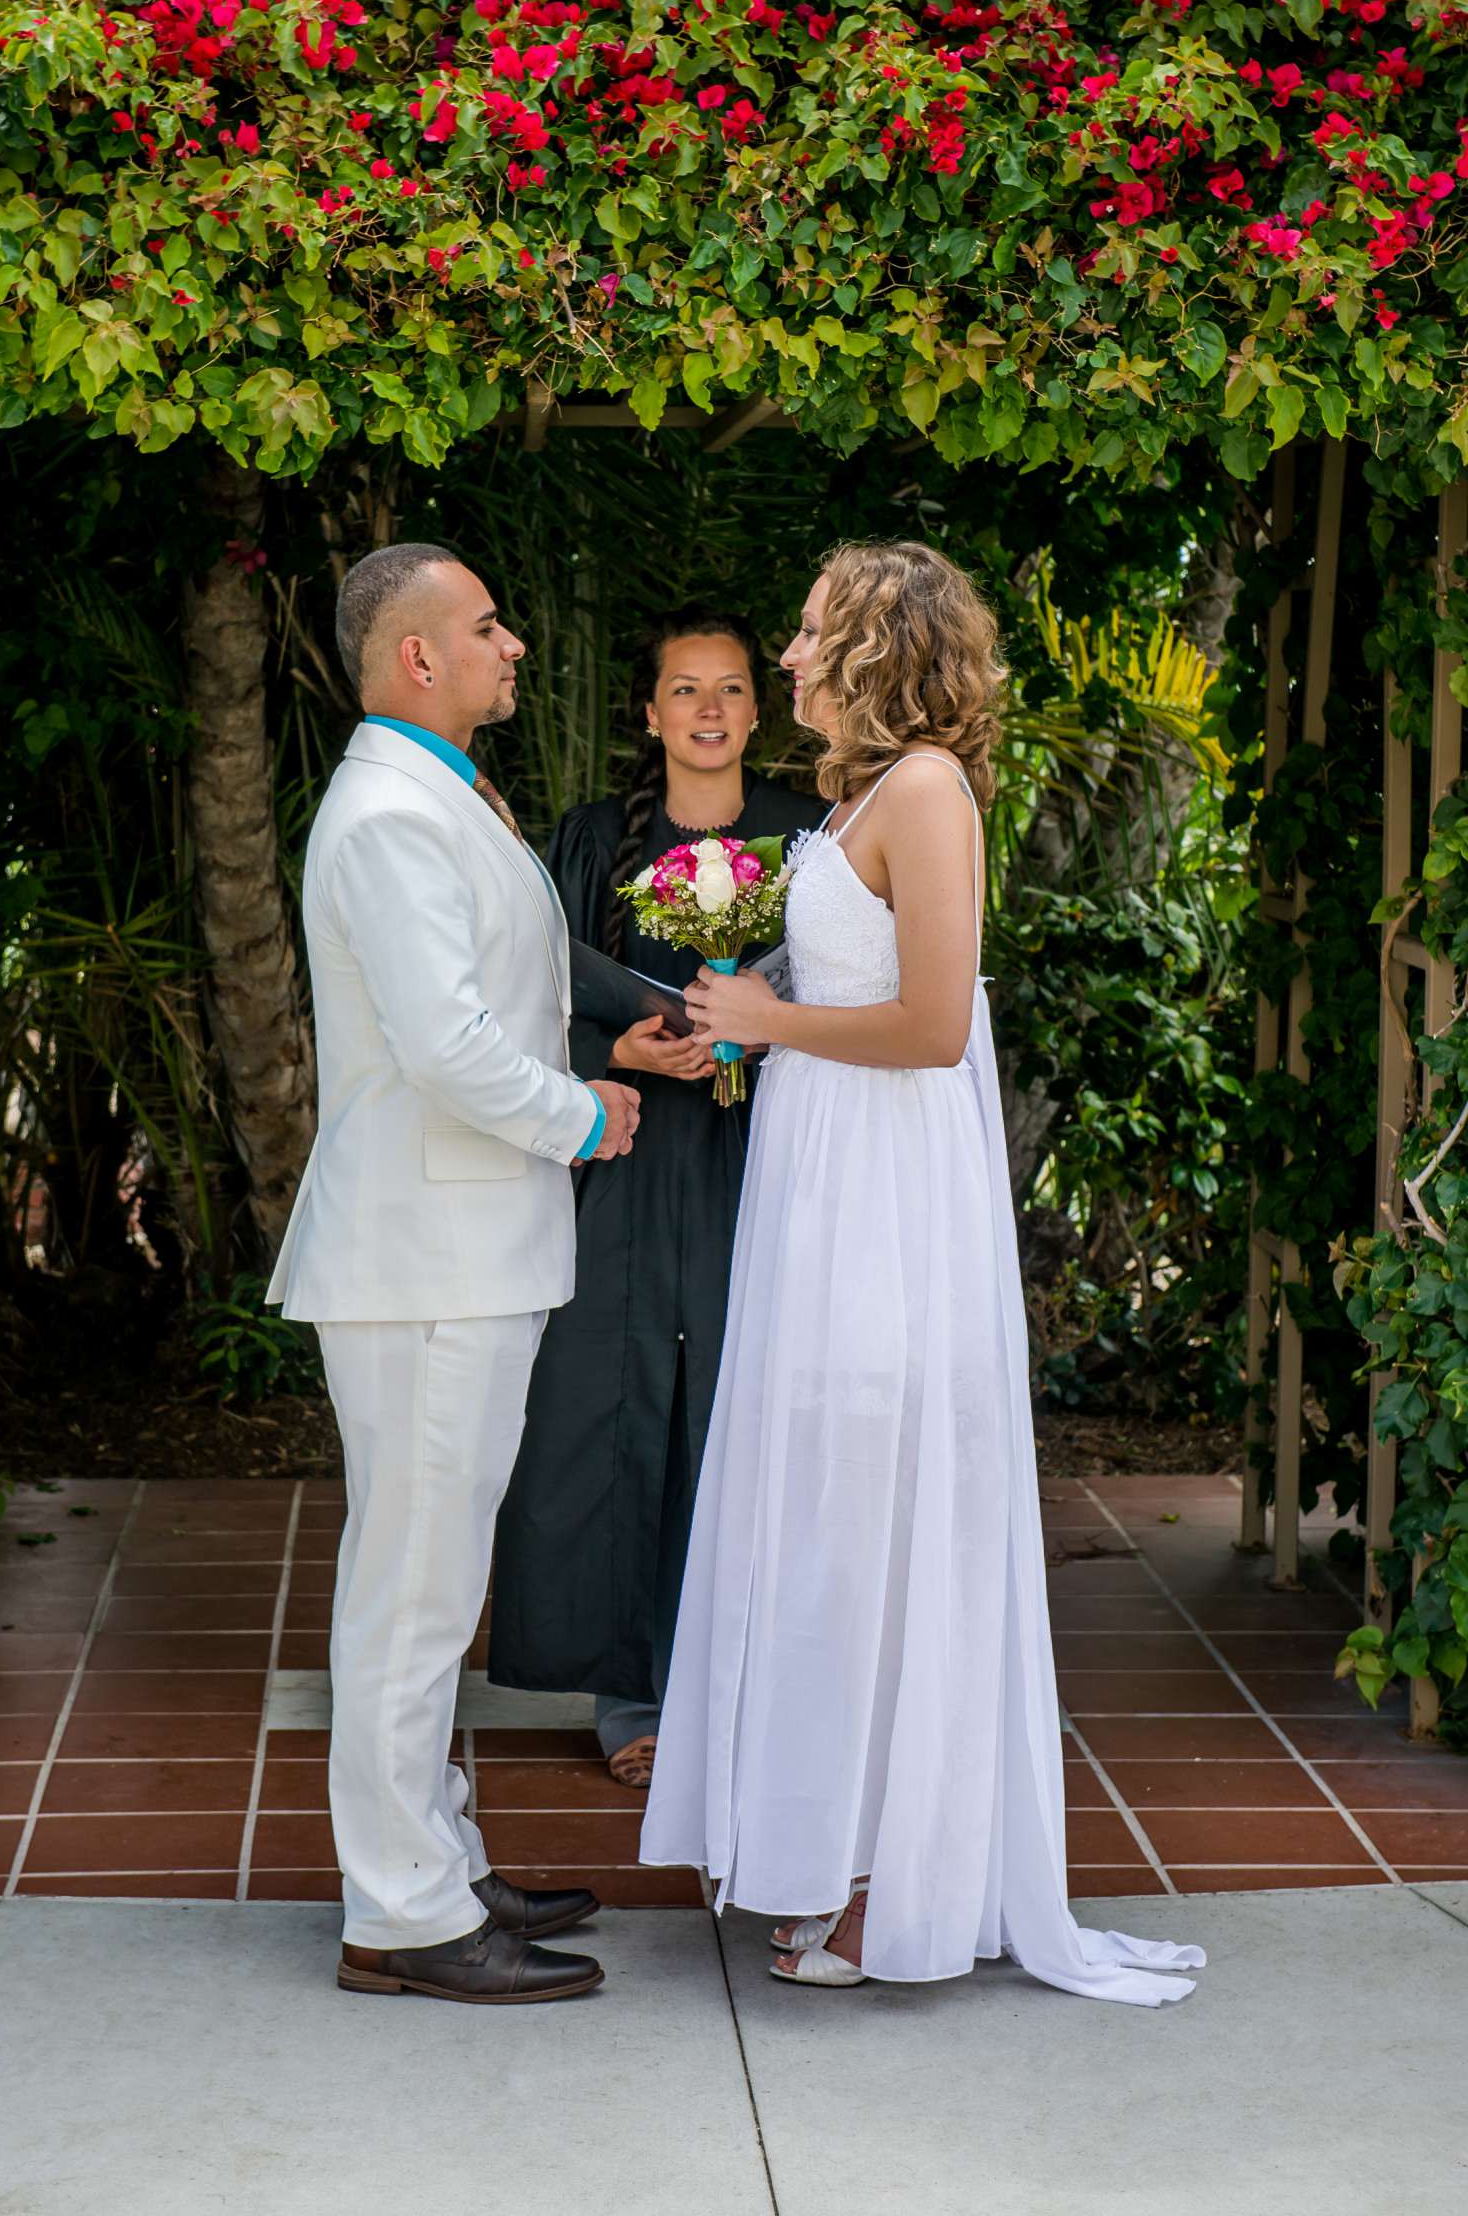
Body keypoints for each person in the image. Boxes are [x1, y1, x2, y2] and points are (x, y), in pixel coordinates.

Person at [639, 541, 1205, 2006]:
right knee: (825, 1517)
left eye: (815, 626)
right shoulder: (855, 799)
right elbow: (844, 994)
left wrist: (771, 1018)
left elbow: (938, 1024)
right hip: (823, 1198)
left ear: (880, 645)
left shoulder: (931, 791)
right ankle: (828, 1853)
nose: (793, 647)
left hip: (887, 1221)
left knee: (880, 1523)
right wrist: (747, 1014)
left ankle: (889, 1878)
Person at [267, 541, 641, 2007]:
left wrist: (608, 1052)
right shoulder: (387, 816)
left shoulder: (432, 792)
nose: (513, 647)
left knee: (430, 1585)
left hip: (459, 1248)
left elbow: (502, 999)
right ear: (417, 655)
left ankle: (432, 1857)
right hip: (425, 1256)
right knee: (414, 1597)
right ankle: (405, 1915)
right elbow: (446, 1049)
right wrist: (587, 1115)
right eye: (488, 626)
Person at [488, 614, 822, 1787]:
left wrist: (754, 1035)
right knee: (615, 1407)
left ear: (755, 708)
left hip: (766, 1152)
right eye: (685, 689)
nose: (711, 710)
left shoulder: (813, 838)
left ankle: (757, 1684)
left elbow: (853, 986)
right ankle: (630, 1693)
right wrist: (619, 1041)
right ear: (651, 713)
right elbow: (524, 989)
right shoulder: (592, 839)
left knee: (750, 1399)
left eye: (732, 688)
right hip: (629, 1153)